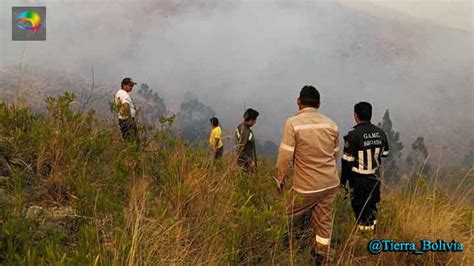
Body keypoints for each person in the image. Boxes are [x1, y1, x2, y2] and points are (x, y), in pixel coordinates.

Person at [276, 85, 339, 265]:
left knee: (284, 216)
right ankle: (321, 255)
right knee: (324, 222)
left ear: (298, 102)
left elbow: (285, 157)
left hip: (306, 186)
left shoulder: (292, 123)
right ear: (319, 103)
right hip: (330, 184)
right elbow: (335, 155)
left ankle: (276, 249)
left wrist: (280, 179)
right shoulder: (331, 124)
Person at [341, 102, 390, 232]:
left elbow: (347, 162)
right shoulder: (380, 133)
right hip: (375, 178)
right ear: (370, 115)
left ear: (355, 116)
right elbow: (385, 153)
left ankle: (363, 239)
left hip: (358, 179)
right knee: (372, 207)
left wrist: (342, 182)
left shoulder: (353, 135)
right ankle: (371, 234)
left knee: (360, 209)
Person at [235, 108, 259, 173]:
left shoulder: (240, 126)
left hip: (242, 163)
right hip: (246, 166)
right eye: (255, 120)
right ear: (251, 120)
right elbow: (240, 149)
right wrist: (250, 161)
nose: (255, 122)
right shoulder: (245, 131)